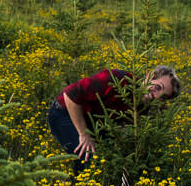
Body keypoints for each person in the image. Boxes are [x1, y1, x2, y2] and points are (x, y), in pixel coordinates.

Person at [48, 64, 180, 165]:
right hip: (64, 111)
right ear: (150, 76)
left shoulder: (144, 105)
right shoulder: (115, 79)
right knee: (87, 156)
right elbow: (70, 95)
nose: (156, 96)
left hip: (93, 121)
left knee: (107, 158)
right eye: (158, 87)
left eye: (163, 97)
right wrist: (83, 134)